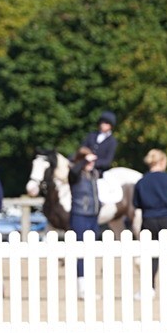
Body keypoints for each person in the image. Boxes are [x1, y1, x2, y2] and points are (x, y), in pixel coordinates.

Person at [133, 149, 167, 297]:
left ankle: (148, 288)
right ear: (162, 162)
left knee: (149, 255)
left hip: (149, 220)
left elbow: (136, 203)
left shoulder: (142, 181)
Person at [68, 147, 101, 294]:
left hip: (93, 215)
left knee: (91, 250)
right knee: (81, 249)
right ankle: (81, 284)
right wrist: (82, 162)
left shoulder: (93, 174)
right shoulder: (76, 174)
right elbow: (73, 171)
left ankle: (88, 283)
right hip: (80, 214)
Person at [82, 111, 117, 176]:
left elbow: (107, 161)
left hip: (99, 171)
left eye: (106, 123)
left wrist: (93, 163)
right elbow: (82, 149)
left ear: (111, 126)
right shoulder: (91, 135)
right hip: (84, 165)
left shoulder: (112, 141)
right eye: (102, 122)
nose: (103, 124)